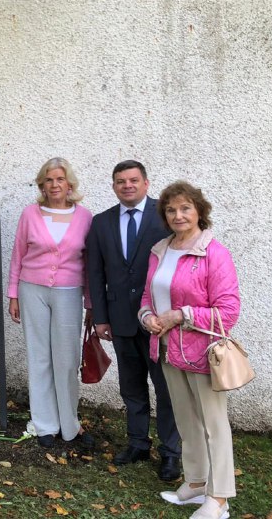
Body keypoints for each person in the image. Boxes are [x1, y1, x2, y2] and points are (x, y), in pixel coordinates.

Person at [139, 181, 240, 519]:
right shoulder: (160, 250)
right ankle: (197, 483)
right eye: (171, 209)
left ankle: (220, 497)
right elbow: (147, 297)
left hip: (203, 351)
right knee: (186, 421)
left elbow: (228, 311)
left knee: (213, 424)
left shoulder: (214, 252)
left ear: (199, 211)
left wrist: (180, 315)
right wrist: (148, 317)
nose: (178, 215)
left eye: (185, 208)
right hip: (167, 348)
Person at [86, 160, 181, 481]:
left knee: (166, 390)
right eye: (120, 181)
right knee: (132, 388)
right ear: (114, 186)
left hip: (159, 321)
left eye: (133, 180)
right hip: (120, 321)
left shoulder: (166, 216)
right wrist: (100, 318)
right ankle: (138, 443)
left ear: (146, 183)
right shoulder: (101, 223)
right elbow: (95, 275)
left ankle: (171, 452)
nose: (127, 185)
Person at [7, 158, 95, 450]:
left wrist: (91, 302)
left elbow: (90, 264)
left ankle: (70, 424)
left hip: (70, 292)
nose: (54, 184)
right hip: (32, 290)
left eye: (60, 179)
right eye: (48, 179)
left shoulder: (85, 217)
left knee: (67, 360)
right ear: (41, 184)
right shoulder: (30, 214)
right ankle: (45, 423)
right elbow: (18, 255)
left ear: (70, 184)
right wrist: (13, 294)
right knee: (39, 357)